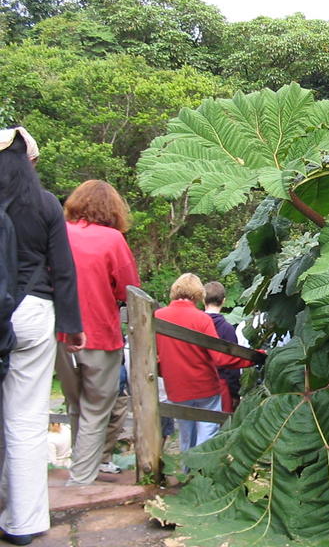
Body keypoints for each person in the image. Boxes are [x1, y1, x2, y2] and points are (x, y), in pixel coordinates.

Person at [0, 127, 84, 546]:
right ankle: (24, 522)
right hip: (33, 311)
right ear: (30, 163)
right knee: (26, 421)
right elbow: (63, 269)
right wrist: (72, 326)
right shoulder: (47, 203)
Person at [54, 180, 140, 487]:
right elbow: (129, 288)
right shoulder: (113, 239)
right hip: (100, 334)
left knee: (74, 403)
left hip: (61, 333)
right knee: (97, 406)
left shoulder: (60, 232)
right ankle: (81, 478)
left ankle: (78, 470)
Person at [155, 274, 252, 452]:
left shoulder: (158, 316)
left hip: (177, 387)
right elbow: (220, 358)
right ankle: (200, 473)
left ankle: (187, 472)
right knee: (207, 433)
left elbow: (153, 354)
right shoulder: (201, 319)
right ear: (198, 294)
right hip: (205, 386)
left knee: (186, 435)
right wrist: (255, 357)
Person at [203, 281, 241, 412]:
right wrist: (235, 392)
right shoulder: (227, 329)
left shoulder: (195, 324)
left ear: (203, 300)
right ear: (223, 301)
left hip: (197, 381)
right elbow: (233, 363)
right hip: (221, 384)